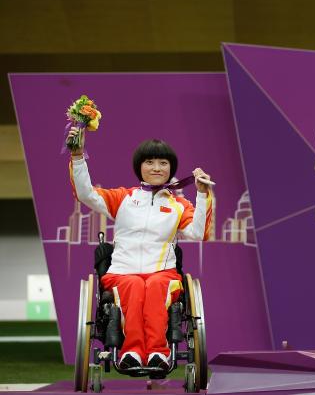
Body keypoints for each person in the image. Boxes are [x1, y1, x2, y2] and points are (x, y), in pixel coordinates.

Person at [66, 127, 213, 371]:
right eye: (150, 162)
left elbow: (198, 232)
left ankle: (158, 352)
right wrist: (78, 156)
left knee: (154, 286)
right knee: (133, 285)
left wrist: (201, 194)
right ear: (139, 167)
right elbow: (85, 194)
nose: (156, 168)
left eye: (163, 163)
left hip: (163, 274)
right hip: (123, 272)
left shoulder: (178, 205)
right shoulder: (123, 198)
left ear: (171, 168)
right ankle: (132, 351)